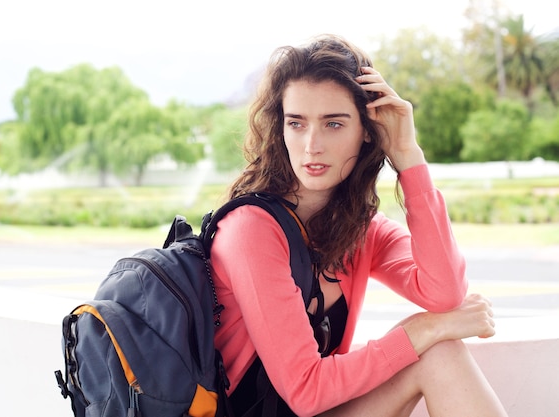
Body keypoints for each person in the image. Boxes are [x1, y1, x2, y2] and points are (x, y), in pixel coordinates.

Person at [209, 34, 508, 417]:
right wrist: (421, 330)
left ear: (367, 129)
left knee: (442, 354)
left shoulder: (359, 229)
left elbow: (445, 294)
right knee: (433, 343)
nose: (312, 144)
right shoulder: (250, 228)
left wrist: (407, 156)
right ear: (280, 129)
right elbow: (305, 390)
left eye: (333, 124)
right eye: (297, 123)